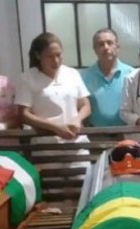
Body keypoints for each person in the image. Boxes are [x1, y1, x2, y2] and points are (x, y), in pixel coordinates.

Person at [15, 32, 92, 170]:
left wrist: (77, 119)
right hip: (46, 144)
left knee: (81, 182)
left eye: (58, 55)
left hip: (75, 142)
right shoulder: (28, 78)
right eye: (50, 56)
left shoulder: (71, 74)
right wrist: (55, 127)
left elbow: (85, 105)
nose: (56, 61)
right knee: (51, 187)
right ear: (38, 56)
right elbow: (23, 114)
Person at [81, 28, 134, 127]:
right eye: (101, 44)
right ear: (95, 49)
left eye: (110, 43)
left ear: (118, 47)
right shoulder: (84, 77)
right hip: (96, 136)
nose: (106, 47)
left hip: (128, 135)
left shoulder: (132, 75)